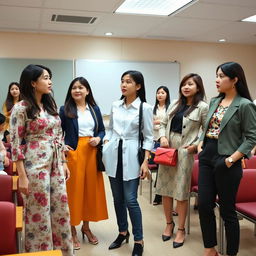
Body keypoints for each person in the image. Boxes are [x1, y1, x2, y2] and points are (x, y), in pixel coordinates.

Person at [9, 64, 73, 255]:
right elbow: (15, 143)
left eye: (49, 77)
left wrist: (63, 162)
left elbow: (59, 135)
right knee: (40, 214)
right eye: (45, 77)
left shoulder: (50, 105)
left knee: (61, 210)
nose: (50, 81)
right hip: (34, 165)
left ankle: (63, 252)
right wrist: (22, 176)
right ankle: (41, 252)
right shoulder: (21, 108)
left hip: (55, 164)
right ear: (33, 82)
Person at [197, 62, 256, 256]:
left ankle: (231, 253)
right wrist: (201, 142)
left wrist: (232, 159)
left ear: (235, 79)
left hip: (228, 159)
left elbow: (251, 137)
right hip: (207, 156)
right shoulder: (214, 101)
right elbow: (208, 127)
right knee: (205, 204)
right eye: (217, 75)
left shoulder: (245, 105)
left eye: (221, 76)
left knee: (227, 211)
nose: (217, 79)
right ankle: (210, 248)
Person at [103, 70, 153, 256]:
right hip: (113, 154)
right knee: (117, 199)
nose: (124, 85)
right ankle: (123, 232)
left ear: (138, 86)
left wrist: (145, 162)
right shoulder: (116, 105)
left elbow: (148, 137)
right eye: (122, 81)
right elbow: (109, 129)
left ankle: (138, 240)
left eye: (128, 82)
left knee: (131, 200)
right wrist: (106, 144)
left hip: (132, 155)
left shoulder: (145, 108)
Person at [156, 73, 209, 248]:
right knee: (165, 189)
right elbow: (163, 123)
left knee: (181, 192)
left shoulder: (202, 107)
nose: (186, 87)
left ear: (198, 88)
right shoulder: (175, 104)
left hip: (186, 151)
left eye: (190, 84)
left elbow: (206, 129)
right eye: (184, 84)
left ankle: (180, 230)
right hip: (168, 149)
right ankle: (168, 224)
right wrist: (162, 137)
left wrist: (196, 145)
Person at [59, 77, 108, 250]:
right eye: (74, 88)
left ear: (87, 91)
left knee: (89, 190)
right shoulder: (65, 109)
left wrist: (98, 138)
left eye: (81, 87)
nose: (77, 90)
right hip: (74, 153)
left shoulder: (94, 109)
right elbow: (58, 131)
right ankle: (71, 230)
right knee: (74, 191)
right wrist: (62, 145)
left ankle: (86, 227)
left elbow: (102, 130)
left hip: (91, 153)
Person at [152, 86, 170, 206]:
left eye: (162, 93)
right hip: (155, 141)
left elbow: (168, 124)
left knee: (164, 169)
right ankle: (158, 195)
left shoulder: (170, 108)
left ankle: (161, 195)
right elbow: (150, 124)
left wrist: (159, 123)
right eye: (158, 93)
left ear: (167, 95)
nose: (160, 95)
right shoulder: (153, 109)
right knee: (159, 168)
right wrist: (159, 123)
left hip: (166, 141)